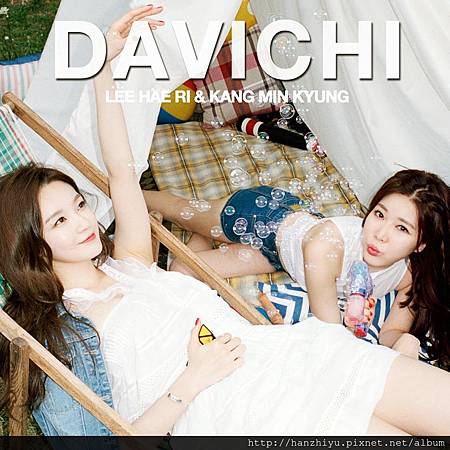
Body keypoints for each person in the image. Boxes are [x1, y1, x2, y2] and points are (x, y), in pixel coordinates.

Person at [0, 6, 449, 437]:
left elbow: (120, 170)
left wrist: (103, 68)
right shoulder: (65, 333)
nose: (84, 221)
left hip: (291, 357)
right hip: (248, 413)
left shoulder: (129, 263)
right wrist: (193, 378)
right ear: (31, 244)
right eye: (60, 220)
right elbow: (122, 440)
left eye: (79, 205)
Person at [142, 171, 450, 363]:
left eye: (402, 228)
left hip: (278, 255)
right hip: (262, 217)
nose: (380, 235)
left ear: (420, 244)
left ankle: (202, 235)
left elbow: (392, 332)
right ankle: (133, 192)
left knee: (181, 270)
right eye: (380, 215)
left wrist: (405, 343)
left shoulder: (406, 275)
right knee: (179, 210)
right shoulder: (326, 247)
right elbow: (332, 334)